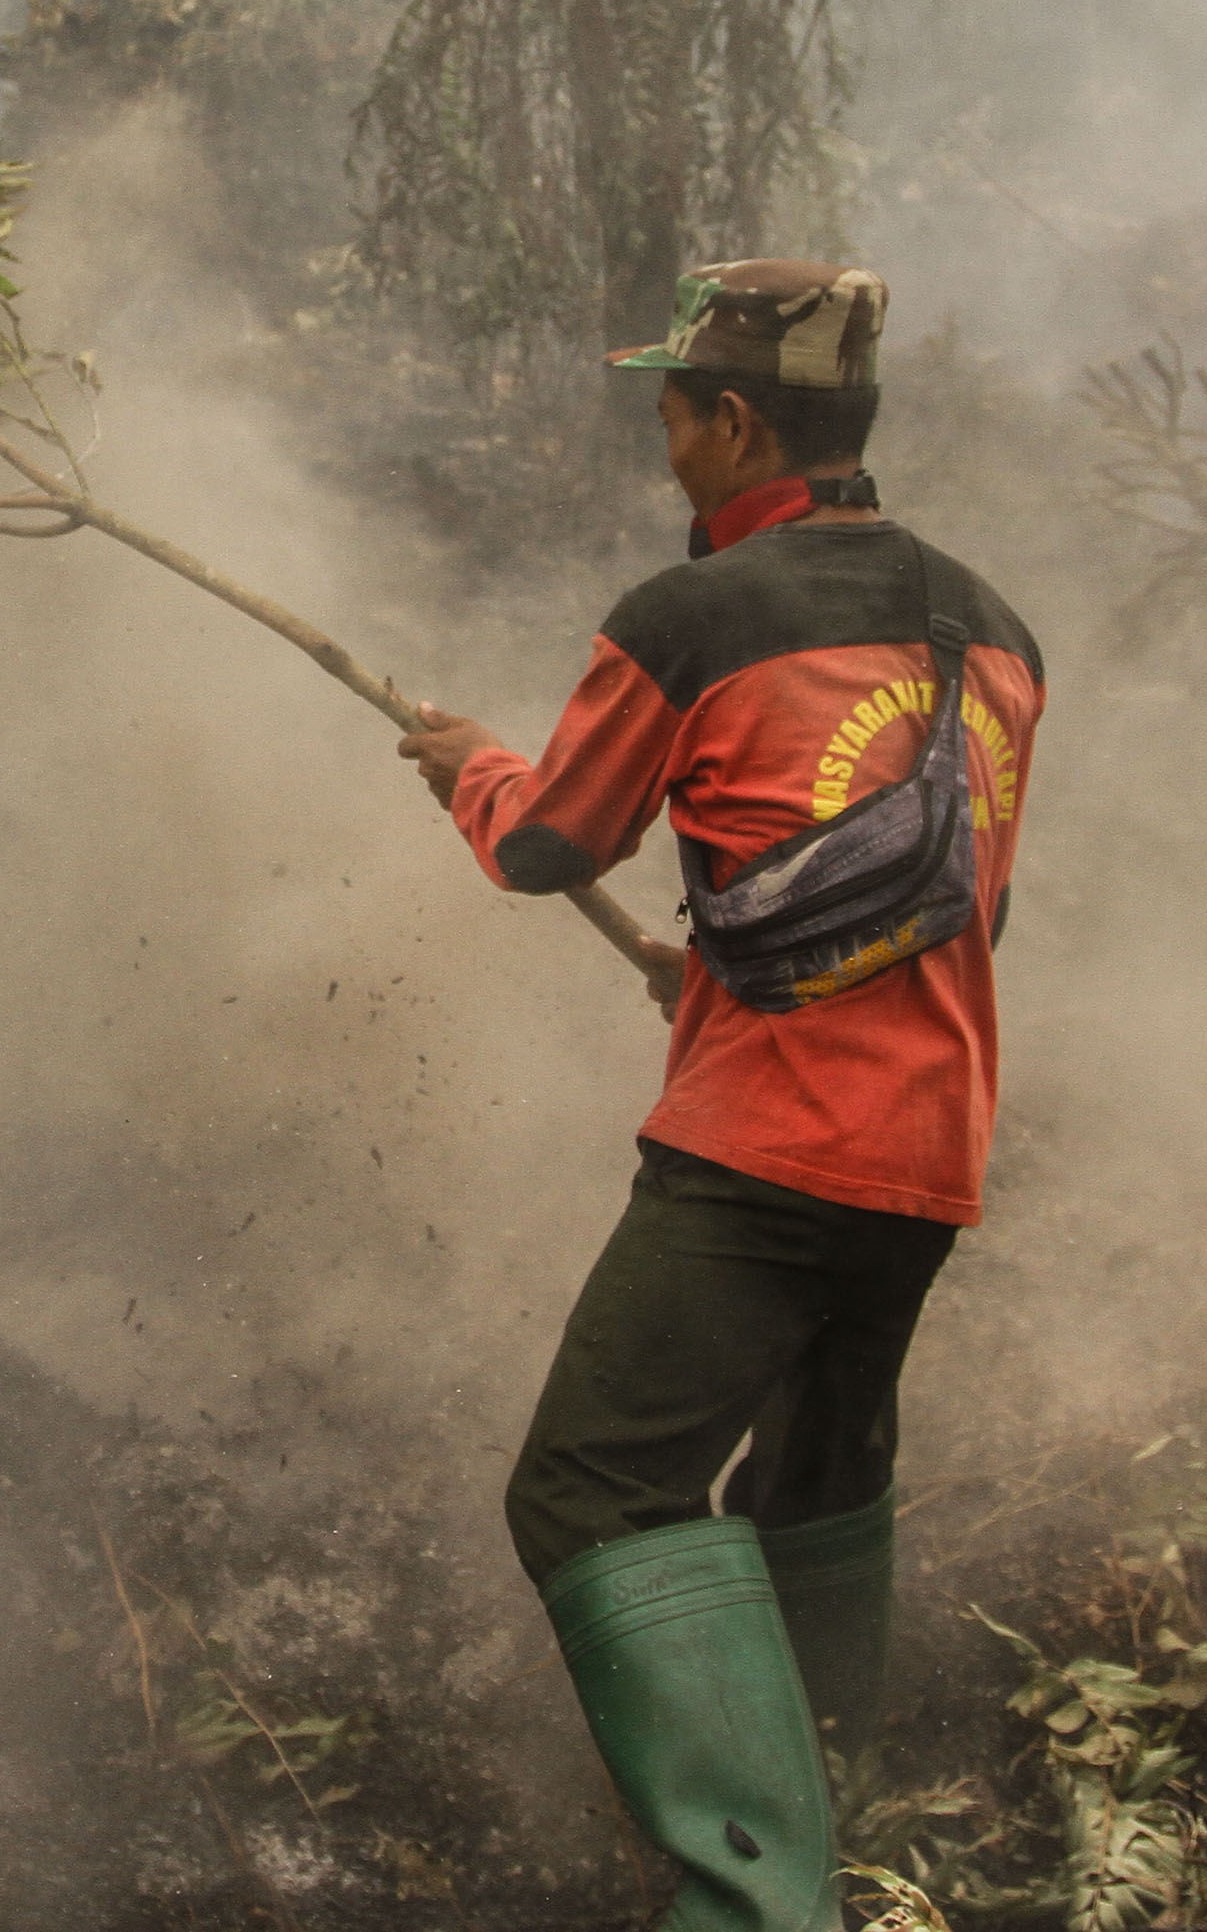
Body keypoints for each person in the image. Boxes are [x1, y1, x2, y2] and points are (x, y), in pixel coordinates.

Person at [397, 260, 1044, 1932]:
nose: (665, 437)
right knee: (812, 1488)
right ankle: (849, 1825)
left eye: (674, 408)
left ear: (738, 421)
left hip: (766, 1158)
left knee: (587, 1487)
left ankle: (760, 1906)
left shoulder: (690, 618)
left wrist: (464, 760)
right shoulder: (996, 630)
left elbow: (551, 845)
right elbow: (943, 898)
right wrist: (716, 970)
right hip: (931, 1150)